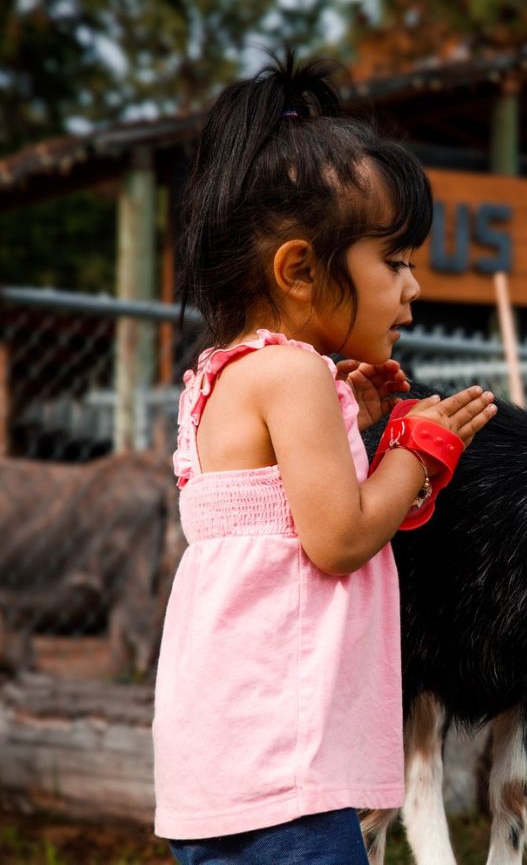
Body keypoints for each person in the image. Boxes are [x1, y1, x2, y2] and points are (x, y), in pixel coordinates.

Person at [153, 51, 497, 864]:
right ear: (301, 269)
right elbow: (338, 540)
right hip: (285, 777)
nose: (412, 288)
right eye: (395, 261)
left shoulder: (223, 373)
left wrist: (358, 422)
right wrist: (419, 449)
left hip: (219, 772)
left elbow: (279, 512)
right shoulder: (296, 374)